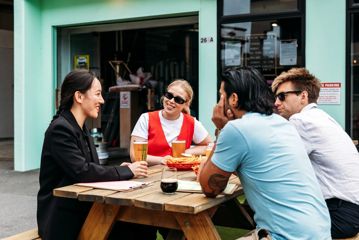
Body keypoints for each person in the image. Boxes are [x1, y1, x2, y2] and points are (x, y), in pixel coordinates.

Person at [198, 67, 331, 240]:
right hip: (320, 231)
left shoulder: (236, 129)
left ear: (233, 99)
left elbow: (210, 188)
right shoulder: (282, 123)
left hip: (286, 236)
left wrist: (221, 129)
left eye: (221, 95)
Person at [37, 69, 155, 240]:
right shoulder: (60, 129)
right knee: (138, 230)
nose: (102, 100)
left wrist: (120, 169)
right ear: (79, 97)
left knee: (144, 226)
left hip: (82, 208)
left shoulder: (79, 127)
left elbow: (90, 169)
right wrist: (127, 172)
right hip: (62, 218)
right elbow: (83, 172)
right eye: (98, 94)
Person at [272, 67, 359, 239]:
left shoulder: (301, 120)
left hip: (340, 214)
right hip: (350, 210)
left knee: (273, 224)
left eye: (282, 96)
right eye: (275, 97)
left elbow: (277, 166)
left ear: (303, 96)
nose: (276, 102)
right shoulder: (321, 117)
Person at [130, 79, 212, 165]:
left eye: (178, 100)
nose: (171, 101)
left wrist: (188, 151)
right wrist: (161, 160)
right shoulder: (146, 119)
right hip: (149, 174)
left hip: (180, 174)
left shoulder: (191, 122)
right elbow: (135, 156)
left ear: (186, 104)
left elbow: (210, 146)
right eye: (169, 95)